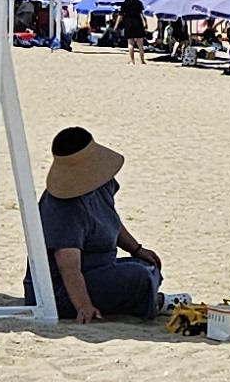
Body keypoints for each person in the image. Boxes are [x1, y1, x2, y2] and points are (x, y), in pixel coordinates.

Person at [32, 127, 162, 321]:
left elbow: (111, 221)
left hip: (102, 269)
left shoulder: (102, 184)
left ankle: (145, 299)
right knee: (139, 277)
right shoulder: (61, 207)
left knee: (148, 265)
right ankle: (154, 301)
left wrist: (137, 249)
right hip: (61, 290)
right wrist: (84, 306)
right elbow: (68, 266)